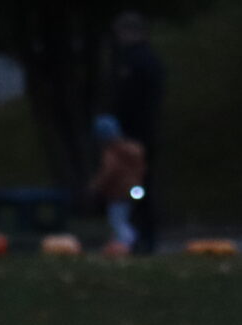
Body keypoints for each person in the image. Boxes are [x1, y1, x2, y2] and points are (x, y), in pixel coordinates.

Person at [111, 11, 164, 254]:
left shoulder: (135, 62)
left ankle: (142, 236)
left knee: (136, 186)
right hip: (143, 132)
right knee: (138, 184)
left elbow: (131, 100)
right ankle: (140, 235)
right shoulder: (147, 60)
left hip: (135, 134)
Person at [89, 115, 146, 256]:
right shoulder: (134, 150)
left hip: (117, 192)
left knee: (117, 221)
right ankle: (126, 244)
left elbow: (109, 172)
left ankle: (126, 244)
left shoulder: (112, 153)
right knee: (123, 218)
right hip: (132, 190)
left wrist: (96, 186)